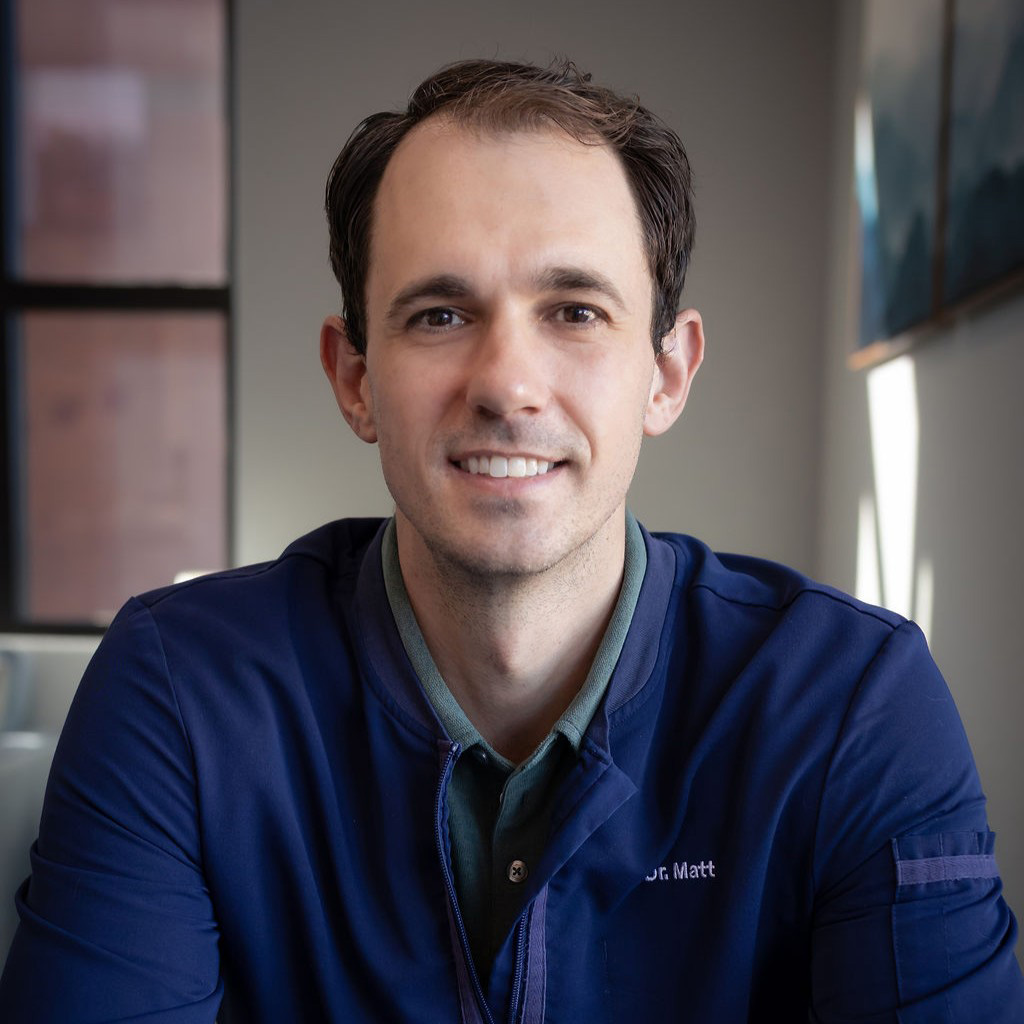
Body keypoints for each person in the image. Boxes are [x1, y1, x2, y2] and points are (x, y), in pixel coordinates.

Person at [1, 58, 1022, 1023]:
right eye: (440, 314)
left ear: (666, 373)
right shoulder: (178, 692)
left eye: (574, 310)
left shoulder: (851, 703)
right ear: (354, 377)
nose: (505, 383)